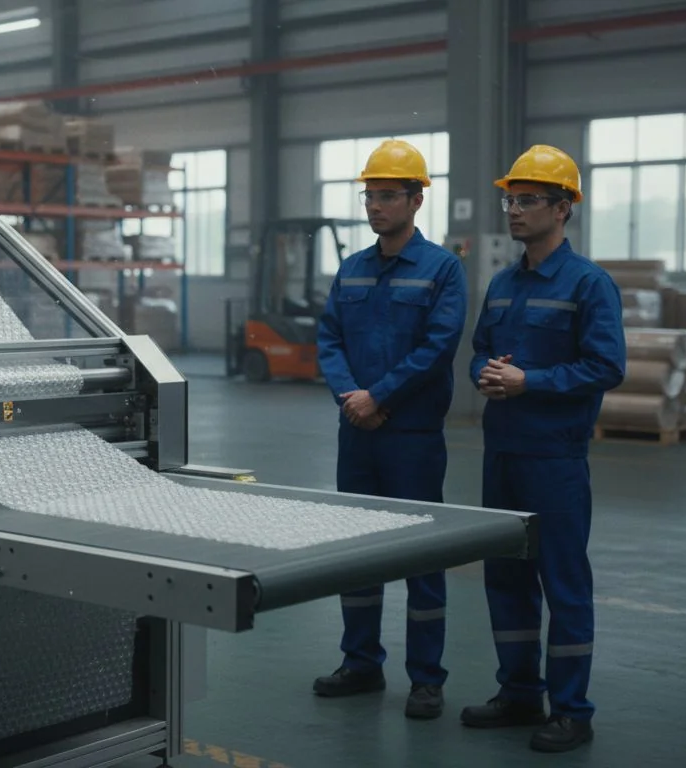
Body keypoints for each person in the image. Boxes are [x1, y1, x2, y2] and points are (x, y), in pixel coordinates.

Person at [460, 144, 625, 753]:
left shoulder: (589, 284)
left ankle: (572, 710)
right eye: (511, 199)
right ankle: (520, 692)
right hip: (501, 452)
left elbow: (607, 365)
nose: (514, 210)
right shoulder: (503, 283)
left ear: (563, 210)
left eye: (527, 200)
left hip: (554, 458)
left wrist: (532, 381)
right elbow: (479, 348)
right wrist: (488, 369)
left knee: (562, 582)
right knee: (505, 579)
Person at [314, 139, 468, 720]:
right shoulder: (352, 269)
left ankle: (426, 678)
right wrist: (352, 399)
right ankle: (361, 662)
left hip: (412, 437)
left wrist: (378, 397)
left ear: (416, 199)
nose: (374, 206)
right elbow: (329, 339)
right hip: (357, 432)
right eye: (369, 195)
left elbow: (438, 347)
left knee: (422, 554)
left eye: (386, 196)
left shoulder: (442, 269)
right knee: (357, 552)